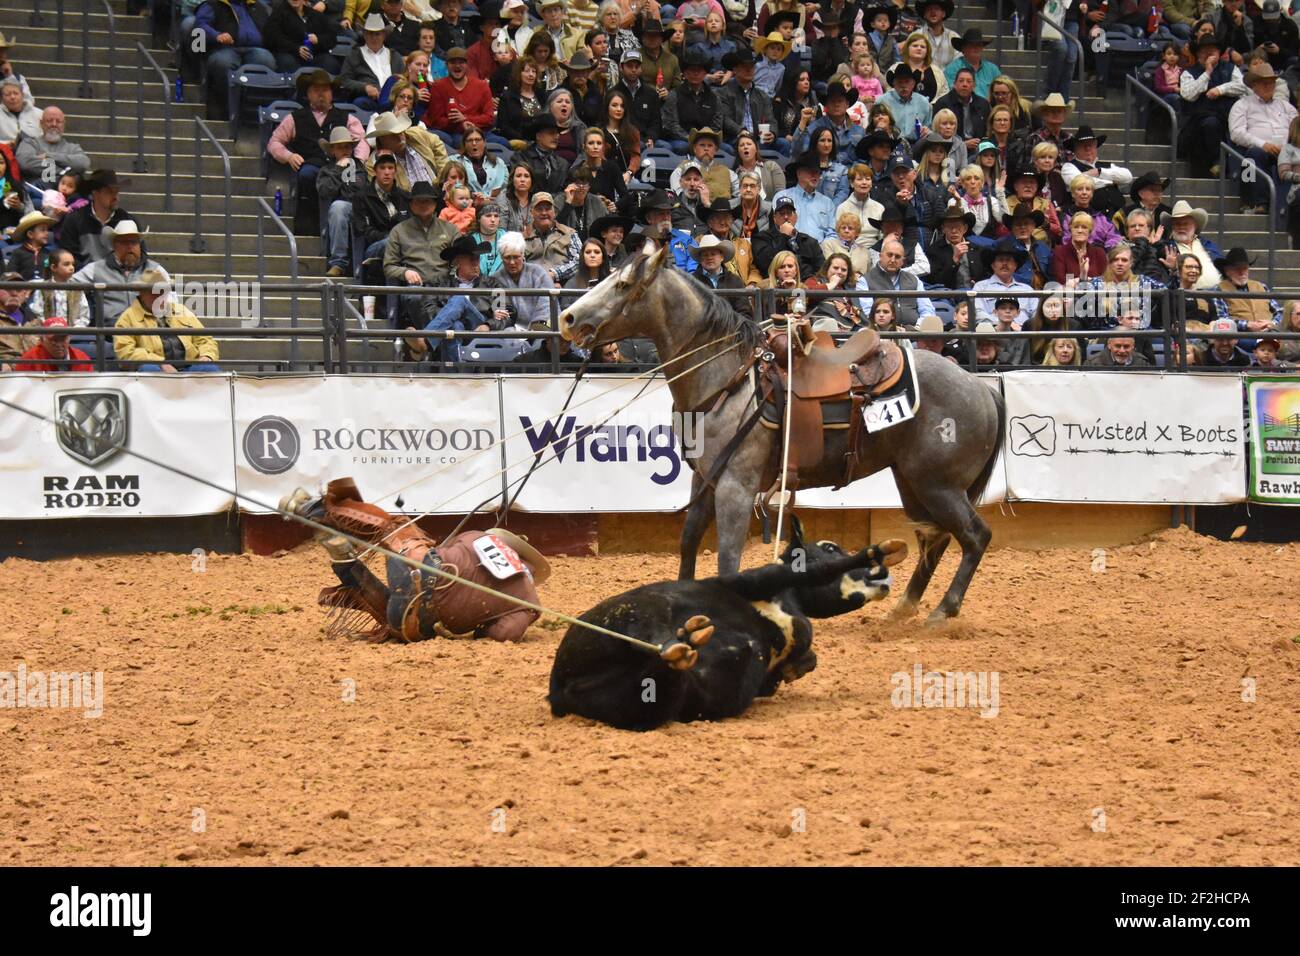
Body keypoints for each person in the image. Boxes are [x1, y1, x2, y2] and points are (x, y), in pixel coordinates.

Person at [268, 71, 371, 235]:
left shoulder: (347, 118)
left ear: (331, 93)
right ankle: (312, 225)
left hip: (342, 167)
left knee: (355, 180)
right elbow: (274, 142)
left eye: (325, 90)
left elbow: (362, 141)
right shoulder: (294, 118)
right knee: (307, 175)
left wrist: (356, 161)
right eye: (316, 90)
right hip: (311, 167)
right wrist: (289, 156)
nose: (321, 94)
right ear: (308, 94)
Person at [384, 181, 461, 333]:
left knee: (458, 301)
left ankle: (425, 342)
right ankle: (431, 339)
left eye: (428, 201)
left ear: (434, 204)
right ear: (411, 205)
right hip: (417, 287)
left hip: (445, 286)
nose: (423, 204)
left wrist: (454, 274)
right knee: (415, 297)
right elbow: (388, 266)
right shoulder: (399, 231)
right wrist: (404, 272)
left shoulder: (450, 229)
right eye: (418, 201)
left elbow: (461, 258)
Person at [114, 270, 220, 373]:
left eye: (162, 292)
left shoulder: (181, 310)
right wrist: (160, 362)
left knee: (208, 368)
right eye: (153, 292)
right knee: (149, 369)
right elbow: (126, 352)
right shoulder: (127, 318)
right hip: (156, 369)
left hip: (189, 368)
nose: (159, 297)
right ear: (142, 293)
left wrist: (206, 355)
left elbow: (205, 339)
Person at [1228, 62, 1295, 214]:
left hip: (1287, 150)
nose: (1269, 86)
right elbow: (1237, 133)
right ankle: (1260, 203)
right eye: (1264, 83)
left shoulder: (1286, 106)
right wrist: (1263, 144)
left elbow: (1296, 127)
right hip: (1256, 151)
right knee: (1253, 156)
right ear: (1254, 85)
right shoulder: (1242, 105)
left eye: (1272, 83)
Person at [194, 0, 276, 119]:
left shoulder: (257, 6)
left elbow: (269, 29)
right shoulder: (212, 4)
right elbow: (199, 26)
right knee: (224, 63)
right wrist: (216, 35)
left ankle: (252, 110)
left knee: (266, 60)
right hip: (222, 49)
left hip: (255, 48)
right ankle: (226, 109)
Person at [1179, 35, 1247, 178]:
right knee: (1210, 124)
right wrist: (1207, 73)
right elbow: (1188, 94)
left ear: (1219, 53)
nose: (1209, 54)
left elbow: (1242, 86)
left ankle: (1239, 173)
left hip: (1229, 115)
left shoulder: (1230, 68)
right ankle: (1218, 162)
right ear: (1198, 54)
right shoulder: (1188, 73)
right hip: (1202, 119)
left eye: (1213, 51)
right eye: (1205, 51)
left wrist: (1220, 90)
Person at [317, 127, 367, 277]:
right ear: (332, 150)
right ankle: (338, 263)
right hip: (342, 208)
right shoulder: (326, 170)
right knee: (338, 207)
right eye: (340, 147)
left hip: (364, 208)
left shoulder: (362, 168)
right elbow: (325, 191)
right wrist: (339, 170)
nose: (345, 150)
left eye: (347, 146)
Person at [352, 150, 410, 278]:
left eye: (390, 168)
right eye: (382, 168)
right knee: (390, 242)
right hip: (375, 246)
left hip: (402, 246)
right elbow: (362, 229)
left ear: (395, 171)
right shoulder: (361, 197)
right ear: (375, 170)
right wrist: (389, 237)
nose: (387, 172)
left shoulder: (405, 197)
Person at [424, 47, 497, 149]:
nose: (457, 66)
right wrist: (457, 122)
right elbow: (435, 121)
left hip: (481, 132)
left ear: (467, 65)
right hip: (454, 133)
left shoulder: (482, 86)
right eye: (453, 62)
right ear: (447, 65)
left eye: (461, 62)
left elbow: (489, 118)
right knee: (462, 144)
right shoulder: (438, 87)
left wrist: (466, 118)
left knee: (503, 143)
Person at [485, 230, 556, 329]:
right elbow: (499, 313)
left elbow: (546, 305)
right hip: (509, 329)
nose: (512, 262)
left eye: (516, 257)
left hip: (538, 327)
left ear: (523, 255)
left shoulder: (538, 273)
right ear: (501, 257)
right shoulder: (495, 279)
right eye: (507, 258)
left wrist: (536, 327)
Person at [861, 235, 936, 326]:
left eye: (897, 257)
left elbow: (927, 309)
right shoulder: (865, 280)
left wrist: (919, 326)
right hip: (883, 332)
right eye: (889, 255)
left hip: (914, 332)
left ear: (902, 261)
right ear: (880, 256)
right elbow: (867, 312)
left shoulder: (913, 279)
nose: (893, 260)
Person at [339, 14, 405, 111]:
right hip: (370, 101)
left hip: (394, 100)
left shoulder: (395, 56)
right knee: (359, 103)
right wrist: (364, 87)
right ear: (364, 35)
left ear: (384, 35)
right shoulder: (354, 55)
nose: (373, 37)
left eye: (377, 34)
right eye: (370, 33)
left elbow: (404, 79)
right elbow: (344, 80)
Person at [752, 194, 823, 279]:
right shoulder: (761, 238)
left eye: (789, 213)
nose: (786, 217)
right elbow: (766, 265)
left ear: (796, 217)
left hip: (807, 286)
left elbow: (821, 270)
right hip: (776, 287)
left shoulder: (809, 241)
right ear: (774, 218)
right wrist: (784, 236)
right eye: (782, 214)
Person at [14, 106, 90, 183]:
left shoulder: (73, 148)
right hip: (35, 192)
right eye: (49, 121)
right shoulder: (29, 143)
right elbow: (25, 163)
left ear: (63, 125)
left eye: (58, 121)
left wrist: (48, 156)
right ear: (41, 124)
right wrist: (65, 172)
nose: (54, 124)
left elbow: (83, 164)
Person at [1215, 246, 1282, 332]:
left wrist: (1273, 323)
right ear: (1227, 271)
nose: (1242, 273)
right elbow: (1221, 319)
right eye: (1237, 269)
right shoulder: (1219, 290)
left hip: (1269, 332)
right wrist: (1246, 325)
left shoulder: (1262, 286)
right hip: (1240, 335)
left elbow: (1279, 312)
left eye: (1245, 268)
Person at [263, 0, 340, 74]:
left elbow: (331, 37)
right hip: (289, 54)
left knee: (330, 63)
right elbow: (272, 37)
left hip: (314, 55)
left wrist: (318, 39)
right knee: (287, 62)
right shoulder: (278, 14)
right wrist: (296, 48)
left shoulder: (316, 15)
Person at [774, 152, 836, 241]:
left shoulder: (827, 203)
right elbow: (777, 228)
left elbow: (832, 233)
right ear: (798, 173)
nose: (815, 175)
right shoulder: (782, 197)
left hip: (820, 251)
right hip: (790, 248)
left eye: (818, 172)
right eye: (810, 171)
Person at [1162, 199, 1223, 287]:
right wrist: (1173, 270)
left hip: (1217, 295)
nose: (1181, 227)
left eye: (1185, 223)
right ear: (1172, 227)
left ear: (1195, 226)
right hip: (1186, 297)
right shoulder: (1166, 248)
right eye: (1177, 224)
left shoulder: (1207, 244)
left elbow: (1222, 265)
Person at [975, 238, 1036, 325]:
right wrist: (1005, 324)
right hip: (992, 333)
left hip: (1023, 334)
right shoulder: (980, 287)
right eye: (1000, 260)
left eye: (1008, 260)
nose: (1004, 264)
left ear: (1015, 265)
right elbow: (978, 313)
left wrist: (1026, 328)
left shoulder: (1027, 289)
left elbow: (1037, 313)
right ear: (993, 265)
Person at [524, 192, 582, 284]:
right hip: (530, 287)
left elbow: (580, 261)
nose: (544, 213)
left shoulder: (569, 233)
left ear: (554, 212)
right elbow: (517, 264)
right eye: (539, 209)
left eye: (548, 209)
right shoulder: (522, 237)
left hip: (564, 287)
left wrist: (554, 274)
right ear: (531, 212)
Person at [932, 67, 990, 157]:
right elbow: (937, 133)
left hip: (978, 149)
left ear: (974, 85)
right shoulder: (943, 103)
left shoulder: (983, 104)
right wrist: (963, 144)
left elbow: (987, 131)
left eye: (969, 81)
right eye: (961, 81)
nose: (965, 84)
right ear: (954, 84)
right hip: (950, 149)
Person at [27, 248, 89, 330]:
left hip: (73, 333)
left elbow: (84, 315)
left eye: (72, 264)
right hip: (48, 333)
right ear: (53, 267)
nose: (71, 268)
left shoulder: (77, 289)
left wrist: (75, 329)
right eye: (66, 264)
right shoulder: (43, 288)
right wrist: (50, 327)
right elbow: (38, 313)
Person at [877, 63, 933, 146]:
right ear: (894, 84)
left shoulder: (923, 102)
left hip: (917, 144)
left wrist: (927, 131)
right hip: (890, 144)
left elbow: (929, 127)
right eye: (900, 82)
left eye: (907, 82)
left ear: (913, 84)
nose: (903, 86)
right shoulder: (882, 101)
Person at [13, 315, 93, 372]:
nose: (58, 344)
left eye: (62, 339)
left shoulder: (82, 359)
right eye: (53, 340)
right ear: (42, 340)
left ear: (69, 338)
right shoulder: (29, 360)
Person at [1050, 211, 1108, 287]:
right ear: (1070, 230)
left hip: (1095, 296)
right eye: (1076, 227)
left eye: (1084, 227)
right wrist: (1088, 280)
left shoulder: (1099, 253)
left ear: (1090, 231)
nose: (1080, 231)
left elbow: (1104, 280)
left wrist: (1077, 280)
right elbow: (1061, 281)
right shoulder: (1060, 252)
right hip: (1068, 296)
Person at [1173, 253, 1230, 325]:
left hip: (1205, 333)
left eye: (1197, 268)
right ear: (1179, 270)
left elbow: (1214, 319)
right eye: (1189, 267)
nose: (1194, 270)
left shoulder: (1205, 296)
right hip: (1181, 333)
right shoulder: (1172, 294)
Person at [943, 28, 999, 98]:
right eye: (972, 45)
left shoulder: (993, 70)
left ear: (982, 48)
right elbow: (952, 94)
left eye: (979, 45)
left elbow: (1000, 92)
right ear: (963, 48)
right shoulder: (952, 69)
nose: (976, 48)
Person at [1086, 335, 1151, 368]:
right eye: (1117, 346)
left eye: (1126, 346)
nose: (1122, 350)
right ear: (1109, 345)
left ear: (1133, 347)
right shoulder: (1092, 364)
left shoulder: (1142, 363)